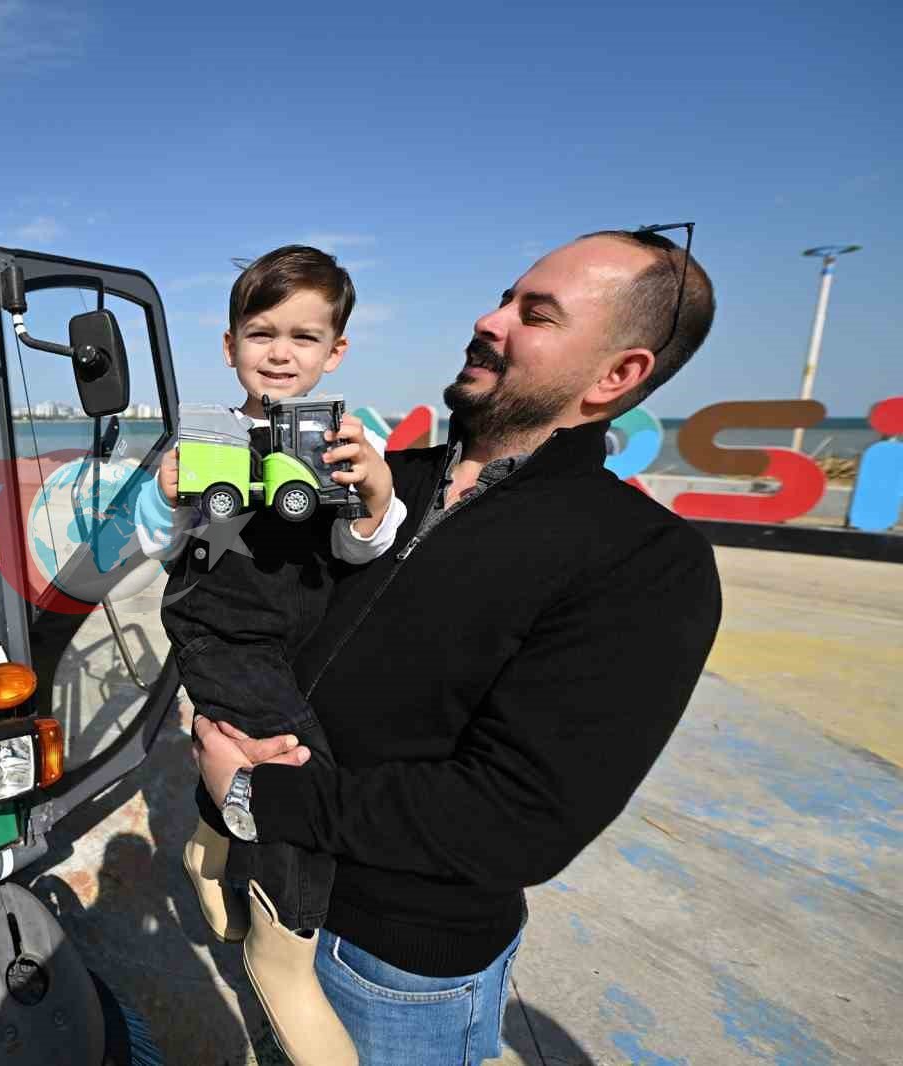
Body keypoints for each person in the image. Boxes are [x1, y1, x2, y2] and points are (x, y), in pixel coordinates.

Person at [193, 228, 723, 1064]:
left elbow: (519, 819)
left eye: (535, 314)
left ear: (617, 375)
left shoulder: (646, 560)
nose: (488, 319)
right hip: (265, 883)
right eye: (505, 296)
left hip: (393, 967)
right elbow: (250, 619)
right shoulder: (373, 480)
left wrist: (261, 796)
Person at [135, 245, 407, 1063]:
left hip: (300, 631)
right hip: (220, 625)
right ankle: (283, 945)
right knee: (297, 765)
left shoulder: (349, 438)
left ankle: (211, 843)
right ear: (230, 347)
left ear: (336, 351)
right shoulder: (203, 436)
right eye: (261, 334)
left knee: (252, 741)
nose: (281, 353)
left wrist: (377, 497)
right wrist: (162, 498)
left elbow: (360, 551)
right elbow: (152, 546)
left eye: (303, 336)